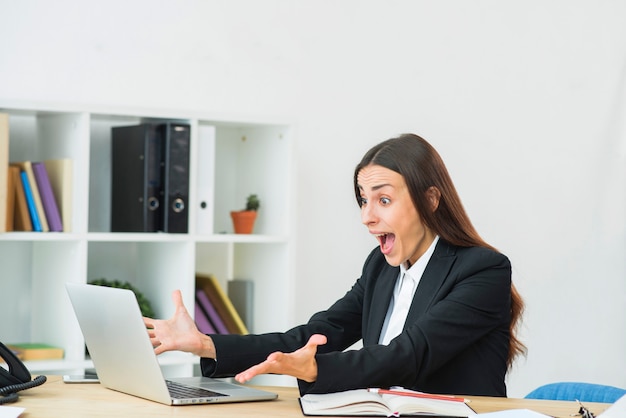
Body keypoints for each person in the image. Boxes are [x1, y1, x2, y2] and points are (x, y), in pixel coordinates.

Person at [144, 133, 525, 397]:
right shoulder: (381, 267)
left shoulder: (483, 270)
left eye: (384, 200)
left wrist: (316, 370)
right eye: (363, 200)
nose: (367, 217)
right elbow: (312, 337)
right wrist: (205, 344)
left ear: (430, 199)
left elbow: (409, 355)